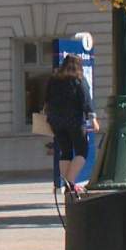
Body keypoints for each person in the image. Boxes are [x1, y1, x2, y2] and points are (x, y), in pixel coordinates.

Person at [44, 55, 99, 193]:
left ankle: (66, 183)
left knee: (66, 152)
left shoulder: (54, 79)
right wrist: (93, 119)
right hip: (74, 121)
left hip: (56, 122)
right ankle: (70, 182)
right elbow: (86, 100)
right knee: (82, 151)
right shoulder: (78, 80)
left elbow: (46, 98)